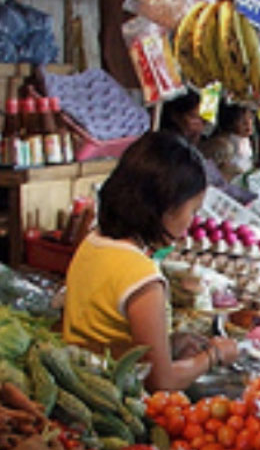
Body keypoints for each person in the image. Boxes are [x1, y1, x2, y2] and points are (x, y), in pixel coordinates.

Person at [62, 131, 239, 390]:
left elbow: (107, 334)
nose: (191, 223)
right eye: (193, 210)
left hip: (81, 386)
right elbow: (161, 381)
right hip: (117, 403)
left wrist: (171, 343)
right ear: (167, 206)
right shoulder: (142, 279)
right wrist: (213, 356)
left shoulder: (92, 242)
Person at [161, 91, 255, 204]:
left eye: (203, 119)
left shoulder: (195, 137)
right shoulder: (169, 143)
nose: (200, 125)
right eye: (193, 117)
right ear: (175, 116)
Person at [199, 102, 255, 183]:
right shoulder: (222, 145)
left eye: (250, 118)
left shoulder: (244, 139)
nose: (247, 123)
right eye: (241, 120)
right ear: (230, 123)